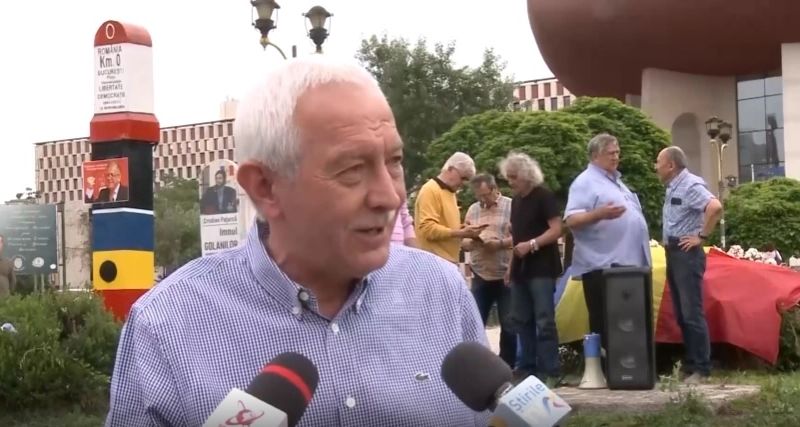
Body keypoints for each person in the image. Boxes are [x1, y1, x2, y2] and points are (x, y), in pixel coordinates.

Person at [105, 55, 489, 427]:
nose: (389, 197)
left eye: (394, 162)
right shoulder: (167, 325)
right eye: (353, 169)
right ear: (265, 187)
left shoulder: (441, 291)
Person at [563, 133, 651, 361]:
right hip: (602, 266)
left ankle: (628, 368)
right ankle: (607, 369)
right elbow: (571, 220)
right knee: (606, 322)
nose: (616, 157)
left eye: (617, 152)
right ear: (595, 156)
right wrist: (600, 213)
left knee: (627, 323)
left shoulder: (616, 182)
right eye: (610, 153)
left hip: (627, 265)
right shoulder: (585, 182)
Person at [655, 146, 722, 384]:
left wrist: (701, 236)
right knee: (682, 313)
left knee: (691, 311)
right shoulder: (673, 186)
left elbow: (715, 207)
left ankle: (702, 368)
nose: (656, 167)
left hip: (686, 254)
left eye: (658, 162)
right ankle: (691, 363)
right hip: (673, 252)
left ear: (671, 165)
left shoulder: (690, 185)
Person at [499, 153, 562, 382]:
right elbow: (517, 238)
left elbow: (557, 229)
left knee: (544, 320)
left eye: (514, 177)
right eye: (508, 177)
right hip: (521, 269)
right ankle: (526, 366)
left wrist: (533, 244)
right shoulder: (516, 201)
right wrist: (510, 267)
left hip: (542, 267)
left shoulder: (544, 196)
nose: (510, 182)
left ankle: (550, 369)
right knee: (521, 319)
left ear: (526, 176)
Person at [461, 173, 516, 367]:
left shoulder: (511, 206)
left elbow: (520, 237)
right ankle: (478, 366)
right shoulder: (473, 210)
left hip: (505, 273)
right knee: (475, 322)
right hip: (480, 273)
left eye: (485, 195)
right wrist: (473, 241)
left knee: (509, 325)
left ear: (494, 189)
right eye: (479, 196)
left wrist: (499, 244)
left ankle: (507, 366)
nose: (483, 199)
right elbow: (464, 241)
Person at [414, 152, 484, 263]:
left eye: (467, 180)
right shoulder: (430, 190)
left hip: (447, 261)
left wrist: (464, 229)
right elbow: (427, 229)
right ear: (450, 169)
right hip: (433, 261)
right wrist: (461, 233)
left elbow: (446, 226)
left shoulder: (450, 193)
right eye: (463, 178)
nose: (463, 183)